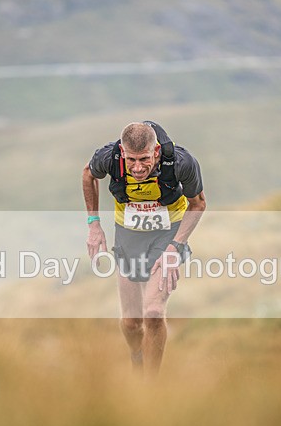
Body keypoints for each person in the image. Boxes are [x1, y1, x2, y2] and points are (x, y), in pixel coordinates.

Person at [82, 121, 206, 373]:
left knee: (152, 312)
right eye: (131, 160)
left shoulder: (181, 163)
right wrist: (94, 224)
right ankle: (137, 357)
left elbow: (198, 204)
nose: (138, 168)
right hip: (128, 235)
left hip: (167, 235)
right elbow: (88, 174)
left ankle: (150, 391)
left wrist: (175, 246)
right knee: (131, 322)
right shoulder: (109, 157)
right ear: (123, 153)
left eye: (145, 159)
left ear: (157, 152)